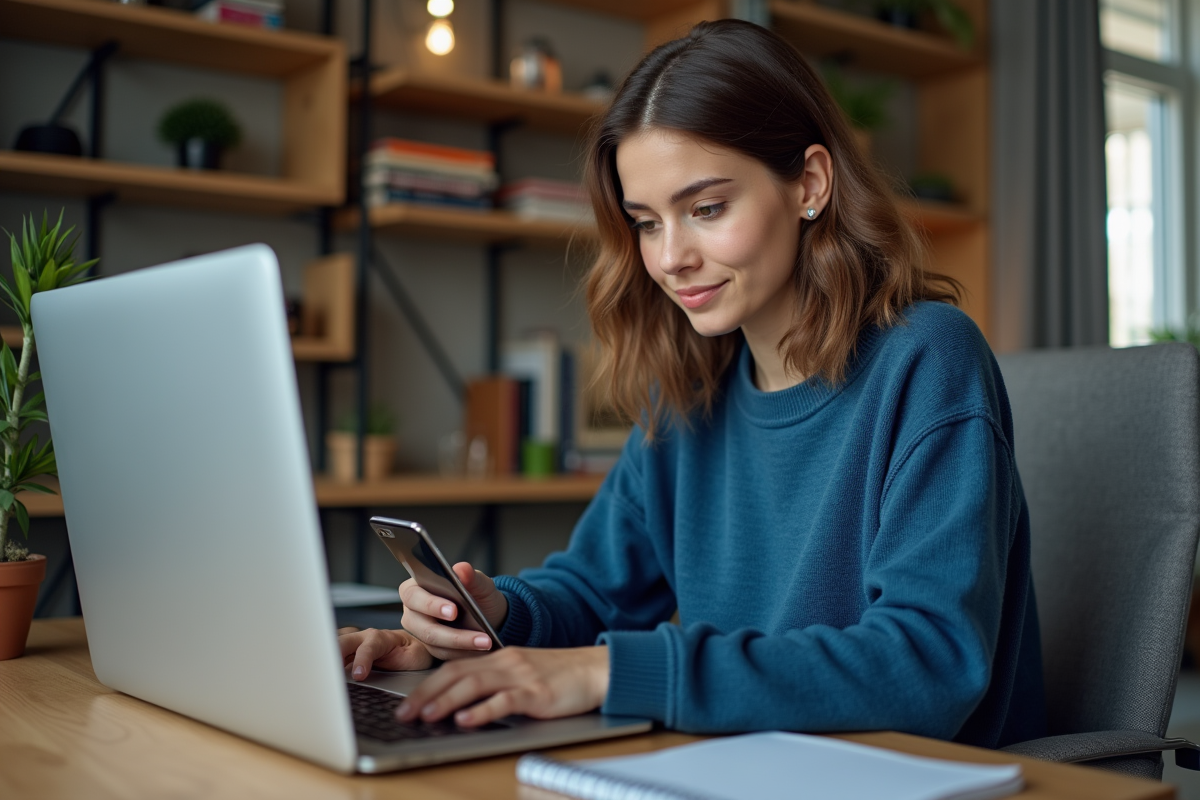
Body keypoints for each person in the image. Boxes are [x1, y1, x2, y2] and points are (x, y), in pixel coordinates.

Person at [339, 19, 1046, 748]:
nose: (670, 257)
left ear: (809, 183)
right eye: (646, 223)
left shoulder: (927, 360)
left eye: (706, 209)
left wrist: (610, 672)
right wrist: (485, 619)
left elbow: (928, 665)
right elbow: (593, 589)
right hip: (750, 766)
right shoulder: (689, 389)